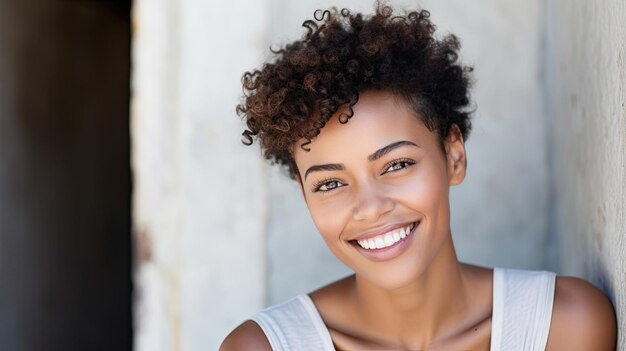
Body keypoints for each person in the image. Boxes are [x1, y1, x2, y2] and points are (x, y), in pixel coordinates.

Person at [221, 3, 617, 350]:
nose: (370, 207)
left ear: (454, 156)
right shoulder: (262, 348)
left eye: (396, 165)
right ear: (305, 196)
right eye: (330, 184)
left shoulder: (562, 326)